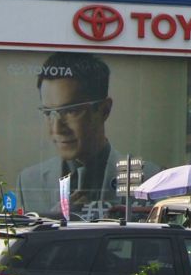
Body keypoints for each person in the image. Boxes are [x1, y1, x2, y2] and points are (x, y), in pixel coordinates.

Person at [18, 53, 121, 219]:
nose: (57, 129)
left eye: (71, 111)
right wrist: (53, 218)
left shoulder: (150, 177)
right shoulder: (29, 181)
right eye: (48, 112)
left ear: (104, 110)